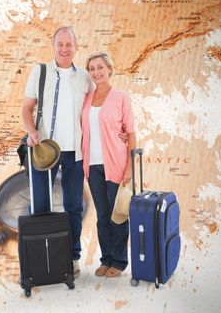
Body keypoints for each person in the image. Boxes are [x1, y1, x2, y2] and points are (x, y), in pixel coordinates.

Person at [21, 26, 93, 277]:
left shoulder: (85, 77)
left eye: (69, 44)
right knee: (40, 205)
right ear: (53, 46)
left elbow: (95, 112)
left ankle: (71, 258)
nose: (64, 48)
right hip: (45, 151)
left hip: (75, 154)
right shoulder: (39, 72)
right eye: (60, 44)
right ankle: (41, 259)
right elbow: (26, 109)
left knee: (74, 207)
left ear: (76, 47)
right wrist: (32, 132)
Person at [81, 51, 137, 278]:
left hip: (115, 164)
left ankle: (120, 261)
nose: (96, 72)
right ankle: (106, 259)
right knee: (102, 216)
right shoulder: (87, 98)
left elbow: (131, 135)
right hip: (92, 166)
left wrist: (129, 169)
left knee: (118, 216)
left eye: (100, 67)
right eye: (92, 68)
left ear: (109, 70)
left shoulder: (121, 97)